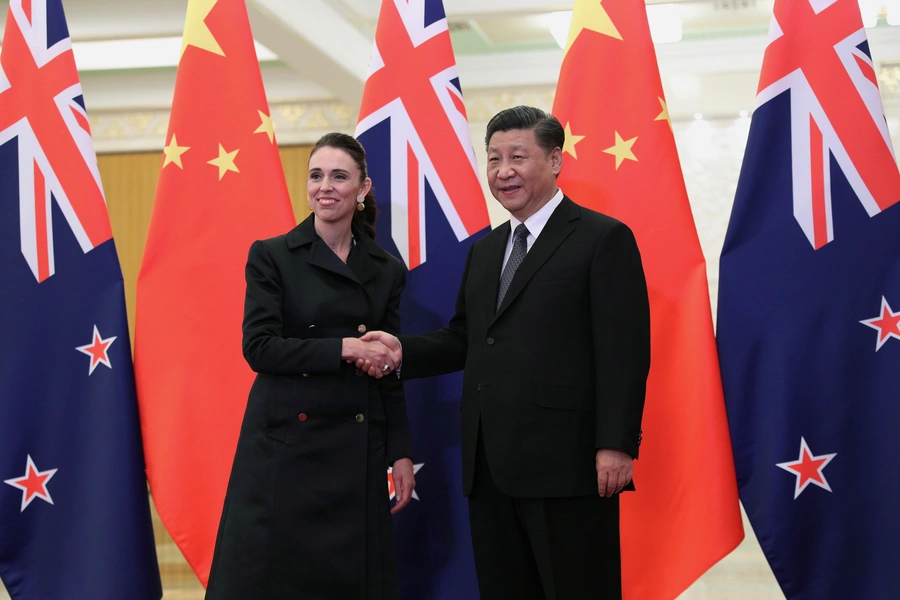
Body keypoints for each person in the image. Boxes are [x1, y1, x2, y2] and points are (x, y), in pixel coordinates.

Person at [360, 106, 650, 600]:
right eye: (493, 159)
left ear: (556, 160)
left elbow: (624, 351)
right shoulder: (486, 250)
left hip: (569, 463)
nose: (503, 171)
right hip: (489, 463)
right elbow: (465, 338)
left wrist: (616, 443)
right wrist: (400, 351)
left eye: (518, 156)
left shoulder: (603, 239)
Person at [205, 132, 416, 600]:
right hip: (285, 447)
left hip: (356, 448)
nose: (325, 186)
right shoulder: (272, 255)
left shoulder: (386, 270)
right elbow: (259, 347)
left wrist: (399, 450)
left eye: (339, 176)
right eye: (316, 175)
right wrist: (346, 348)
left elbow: (389, 369)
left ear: (363, 189)